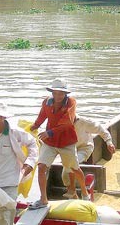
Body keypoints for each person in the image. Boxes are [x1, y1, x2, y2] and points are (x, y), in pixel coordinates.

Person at [29, 78, 90, 206]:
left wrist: (49, 132)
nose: (58, 96)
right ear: (52, 92)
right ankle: (43, 199)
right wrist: (34, 126)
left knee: (74, 168)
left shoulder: (71, 102)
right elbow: (42, 116)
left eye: (61, 93)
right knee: (41, 167)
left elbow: (67, 122)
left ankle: (84, 193)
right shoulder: (46, 102)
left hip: (66, 142)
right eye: (55, 93)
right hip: (50, 142)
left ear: (65, 94)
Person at [61, 116, 116, 197]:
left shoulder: (84, 122)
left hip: (85, 148)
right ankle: (73, 194)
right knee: (64, 174)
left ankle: (84, 193)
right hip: (71, 149)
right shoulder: (61, 123)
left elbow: (101, 129)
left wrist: (109, 142)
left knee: (71, 165)